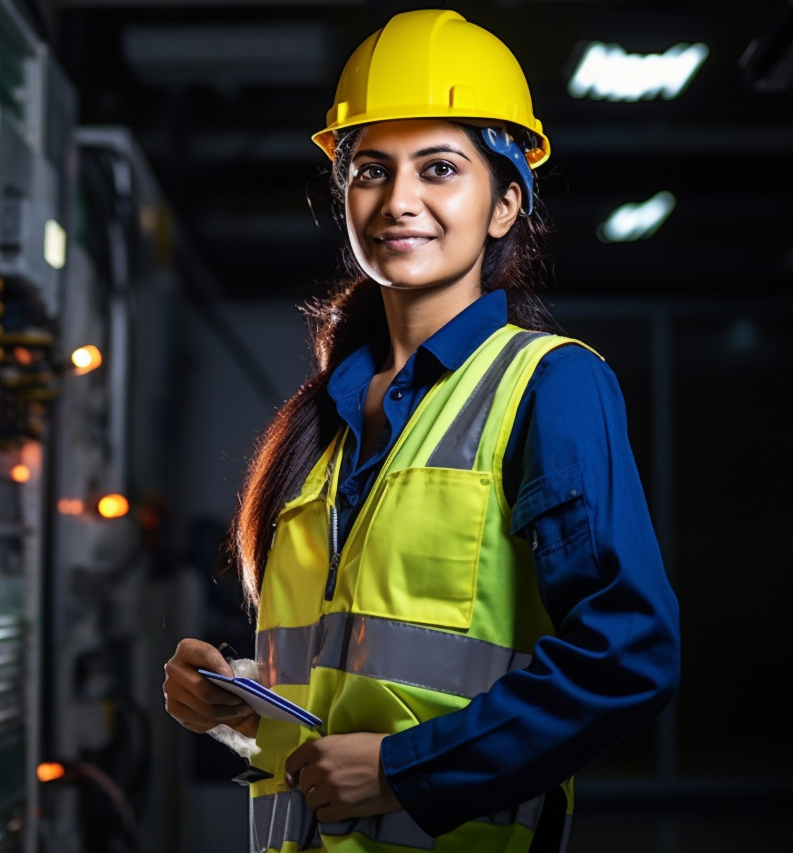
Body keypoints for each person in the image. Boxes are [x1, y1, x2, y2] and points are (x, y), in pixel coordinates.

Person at [161, 9, 681, 853]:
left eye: (440, 168)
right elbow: (364, 677)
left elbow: (629, 652)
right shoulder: (324, 416)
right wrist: (241, 698)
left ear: (506, 201)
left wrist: (410, 768)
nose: (399, 201)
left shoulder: (549, 385)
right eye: (372, 169)